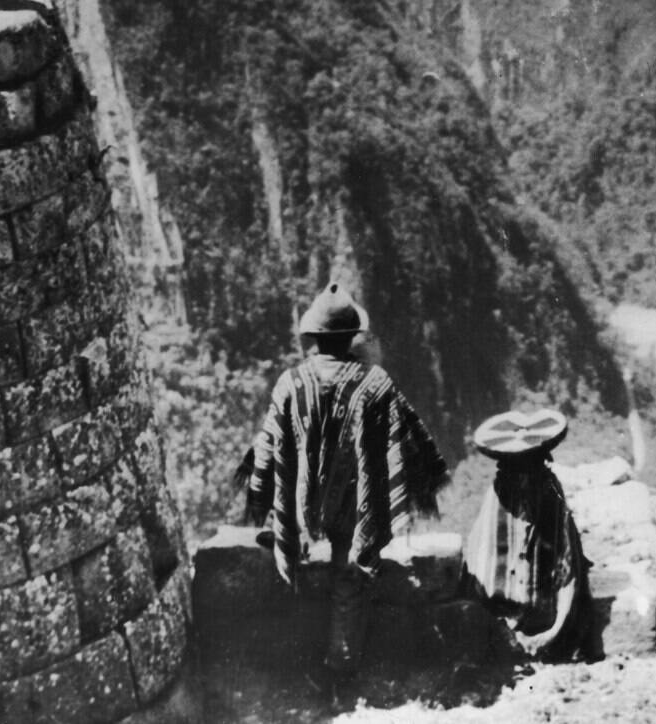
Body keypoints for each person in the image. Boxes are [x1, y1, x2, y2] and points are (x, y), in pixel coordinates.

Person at [240, 281, 449, 680]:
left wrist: (267, 505)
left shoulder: (291, 382)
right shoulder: (374, 382)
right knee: (348, 576)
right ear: (351, 336)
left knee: (292, 535)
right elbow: (410, 440)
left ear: (314, 338)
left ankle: (287, 657)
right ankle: (340, 663)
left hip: (303, 500)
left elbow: (267, 448)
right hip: (356, 503)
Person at [461, 408, 593, 661]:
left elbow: (567, 569)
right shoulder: (498, 493)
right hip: (499, 613)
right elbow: (479, 560)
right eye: (513, 469)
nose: (522, 479)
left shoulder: (548, 492)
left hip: (544, 613)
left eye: (528, 467)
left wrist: (554, 630)